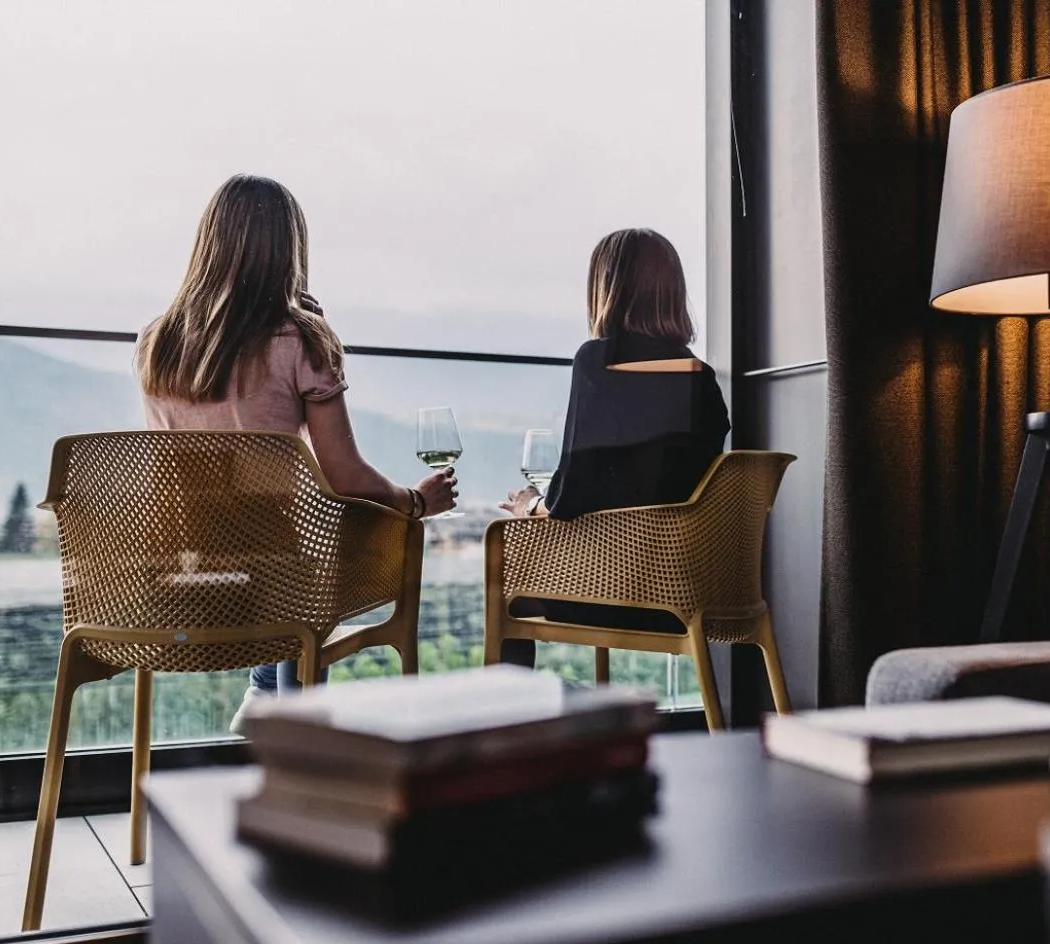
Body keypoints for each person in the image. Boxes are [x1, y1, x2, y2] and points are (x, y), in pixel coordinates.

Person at [135, 174, 456, 729]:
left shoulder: (155, 342)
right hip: (274, 579)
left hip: (177, 573)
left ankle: (266, 696)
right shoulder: (299, 340)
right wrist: (415, 501)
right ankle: (292, 720)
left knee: (282, 554)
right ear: (290, 252)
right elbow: (346, 478)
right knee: (309, 550)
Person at [498, 228, 730, 666]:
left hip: (618, 592)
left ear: (606, 290)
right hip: (693, 593)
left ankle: (509, 728)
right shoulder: (702, 378)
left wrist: (529, 505)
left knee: (510, 577)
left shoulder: (598, 361)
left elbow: (569, 500)